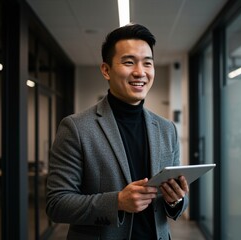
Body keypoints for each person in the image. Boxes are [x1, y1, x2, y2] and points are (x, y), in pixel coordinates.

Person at [46, 23, 189, 240]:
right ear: (106, 70)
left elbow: (177, 198)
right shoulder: (76, 128)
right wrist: (117, 202)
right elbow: (57, 203)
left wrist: (176, 199)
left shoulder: (167, 129)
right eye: (129, 62)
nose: (140, 72)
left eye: (147, 63)